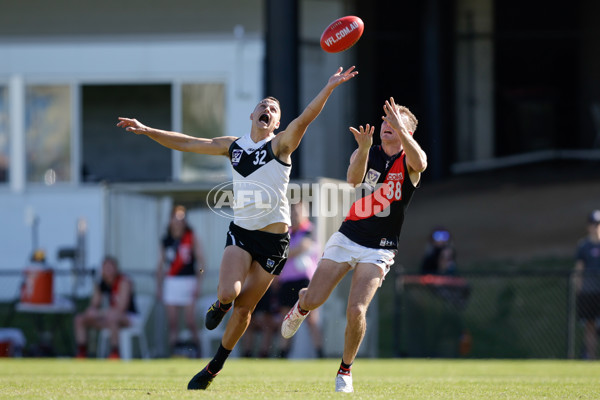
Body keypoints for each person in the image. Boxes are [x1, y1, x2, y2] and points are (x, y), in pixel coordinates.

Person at [116, 66, 358, 389]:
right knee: (229, 293)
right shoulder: (234, 146)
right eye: (264, 105)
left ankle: (213, 368)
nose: (268, 109)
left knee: (244, 312)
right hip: (242, 233)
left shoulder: (280, 146)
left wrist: (328, 88)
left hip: (274, 243)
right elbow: (188, 144)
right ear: (252, 113)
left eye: (274, 109)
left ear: (276, 123)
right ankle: (220, 304)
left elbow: (304, 120)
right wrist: (148, 130)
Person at [281, 97, 427, 392]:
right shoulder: (370, 152)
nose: (388, 124)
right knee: (315, 299)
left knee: (356, 310)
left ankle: (345, 370)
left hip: (380, 247)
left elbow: (421, 162)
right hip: (348, 237)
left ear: (407, 132)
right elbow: (351, 179)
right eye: (386, 119)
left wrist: (403, 127)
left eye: (395, 121)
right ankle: (302, 303)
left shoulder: (409, 162)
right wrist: (362, 148)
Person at [157, 205, 205, 357]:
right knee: (172, 322)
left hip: (188, 280)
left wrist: (199, 281)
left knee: (190, 321)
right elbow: (161, 264)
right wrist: (159, 285)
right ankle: (174, 352)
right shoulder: (166, 240)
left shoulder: (191, 237)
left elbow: (201, 262)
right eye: (175, 218)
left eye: (181, 218)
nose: (178, 222)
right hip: (171, 281)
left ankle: (198, 351)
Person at [277, 201, 323, 358]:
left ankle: (320, 353)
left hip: (304, 282)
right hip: (287, 282)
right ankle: (283, 354)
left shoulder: (308, 231)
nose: (295, 216)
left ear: (305, 214)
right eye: (292, 212)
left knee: (311, 319)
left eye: (298, 212)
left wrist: (284, 255)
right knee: (287, 320)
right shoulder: (287, 233)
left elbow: (301, 247)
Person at [74, 256, 138, 359]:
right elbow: (94, 305)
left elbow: (121, 308)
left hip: (129, 317)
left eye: (110, 267)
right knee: (80, 319)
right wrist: (92, 310)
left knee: (112, 317)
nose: (108, 271)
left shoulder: (124, 281)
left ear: (116, 268)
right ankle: (81, 352)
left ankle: (115, 352)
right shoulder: (101, 284)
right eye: (105, 268)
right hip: (109, 317)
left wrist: (100, 313)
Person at [574, 209, 600, 360]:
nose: (596, 227)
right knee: (590, 326)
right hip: (589, 292)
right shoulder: (584, 246)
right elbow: (579, 269)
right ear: (588, 226)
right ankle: (590, 357)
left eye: (598, 224)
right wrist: (579, 290)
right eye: (594, 224)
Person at [240, 286, 279, 358]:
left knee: (267, 327)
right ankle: (246, 354)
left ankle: (264, 354)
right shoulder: (255, 289)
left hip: (272, 322)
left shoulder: (272, 291)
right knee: (248, 326)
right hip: (258, 319)